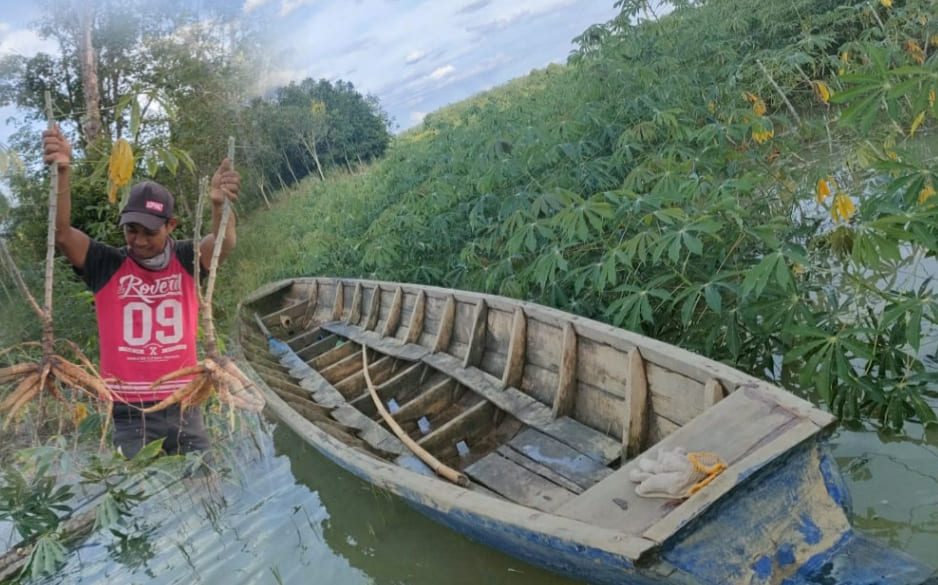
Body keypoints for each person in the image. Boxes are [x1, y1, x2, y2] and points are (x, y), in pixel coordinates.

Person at [42, 125, 240, 457]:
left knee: (204, 481)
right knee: (140, 496)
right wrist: (63, 171)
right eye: (131, 230)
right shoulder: (105, 265)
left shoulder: (187, 259)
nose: (139, 241)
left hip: (184, 404)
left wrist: (220, 207)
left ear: (170, 226)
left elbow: (223, 243)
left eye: (149, 232)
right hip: (129, 412)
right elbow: (62, 234)